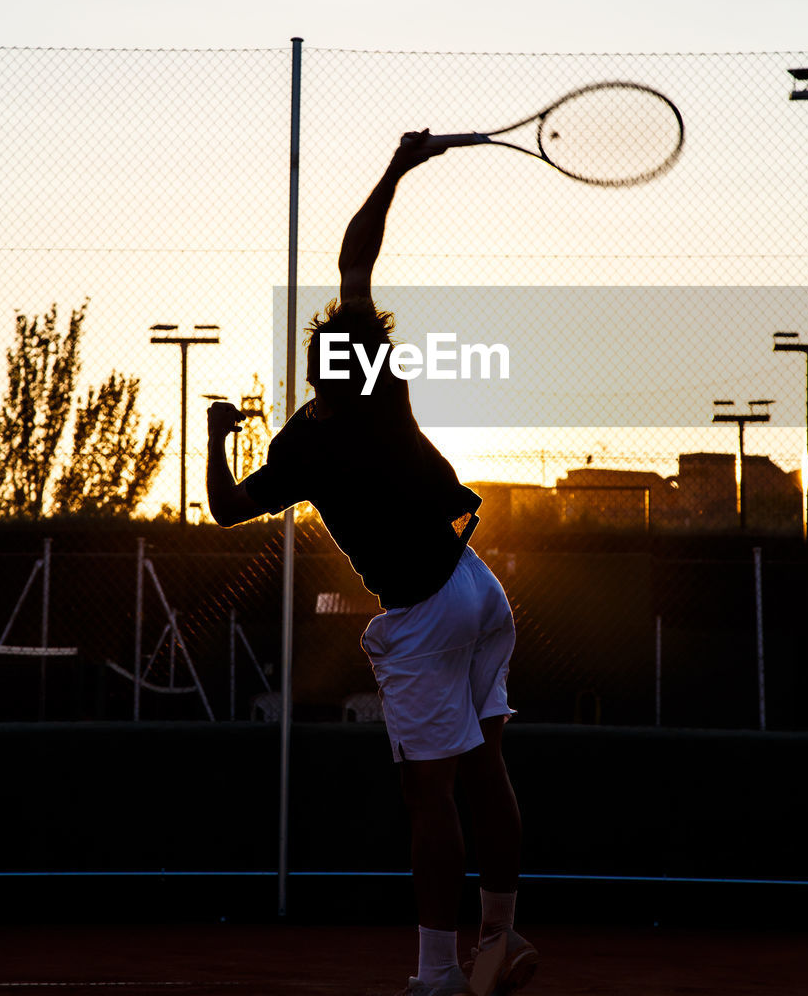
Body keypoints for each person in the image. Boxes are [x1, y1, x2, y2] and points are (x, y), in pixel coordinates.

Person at [206, 133, 538, 996]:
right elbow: (356, 260)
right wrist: (396, 167)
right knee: (487, 768)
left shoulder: (301, 446)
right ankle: (499, 934)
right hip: (477, 583)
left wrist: (213, 440)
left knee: (429, 798)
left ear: (311, 366)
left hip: (426, 611)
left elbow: (226, 507)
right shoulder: (383, 389)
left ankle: (435, 978)